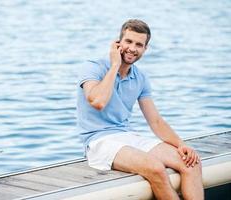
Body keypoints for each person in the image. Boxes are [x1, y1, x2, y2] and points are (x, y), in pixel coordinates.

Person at [76, 19, 204, 200]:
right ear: (118, 43)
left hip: (127, 135)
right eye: (128, 42)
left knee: (191, 164)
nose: (132, 48)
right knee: (155, 168)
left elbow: (155, 121)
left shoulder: (140, 77)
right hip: (99, 141)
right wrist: (114, 65)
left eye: (139, 44)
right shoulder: (93, 67)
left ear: (145, 49)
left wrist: (181, 144)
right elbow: (98, 101)